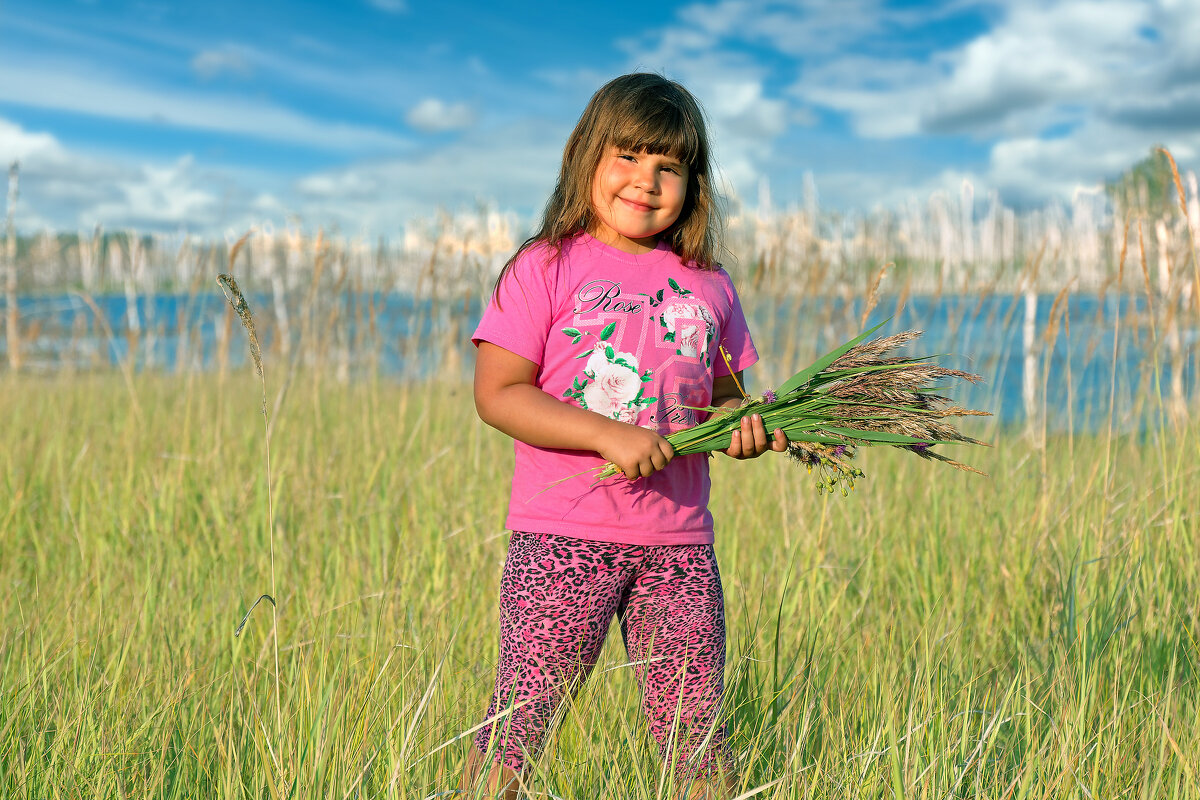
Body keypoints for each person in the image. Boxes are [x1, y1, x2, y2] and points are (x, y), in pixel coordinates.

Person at [463, 72, 787, 800]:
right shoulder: (544, 265)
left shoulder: (710, 285)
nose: (646, 181)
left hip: (678, 548)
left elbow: (728, 397)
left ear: (692, 183)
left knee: (697, 740)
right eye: (630, 156)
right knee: (518, 728)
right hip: (562, 538)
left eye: (668, 166)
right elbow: (498, 393)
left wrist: (750, 426)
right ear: (587, 157)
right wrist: (607, 434)